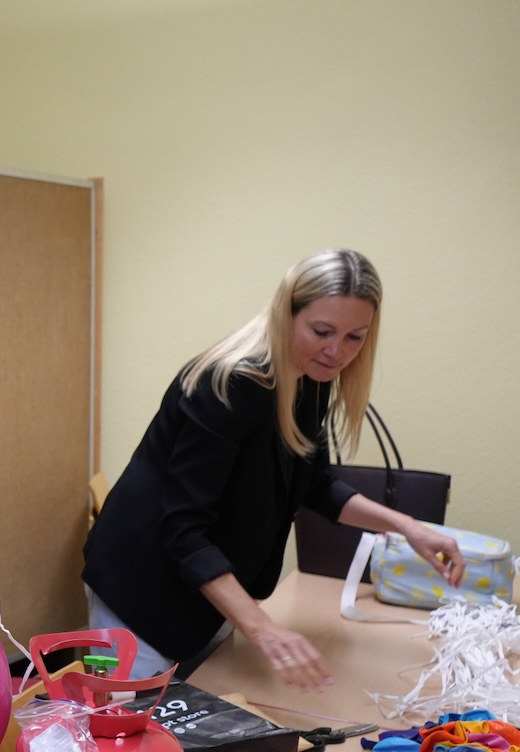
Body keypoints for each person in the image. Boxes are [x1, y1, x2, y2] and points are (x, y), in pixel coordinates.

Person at [81, 248, 465, 692]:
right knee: (124, 722)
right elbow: (183, 530)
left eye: (355, 337)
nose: (337, 352)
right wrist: (262, 627)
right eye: (321, 331)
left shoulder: (310, 378)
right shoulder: (227, 386)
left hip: (207, 587)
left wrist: (408, 528)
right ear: (286, 314)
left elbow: (314, 485)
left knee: (195, 708)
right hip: (141, 585)